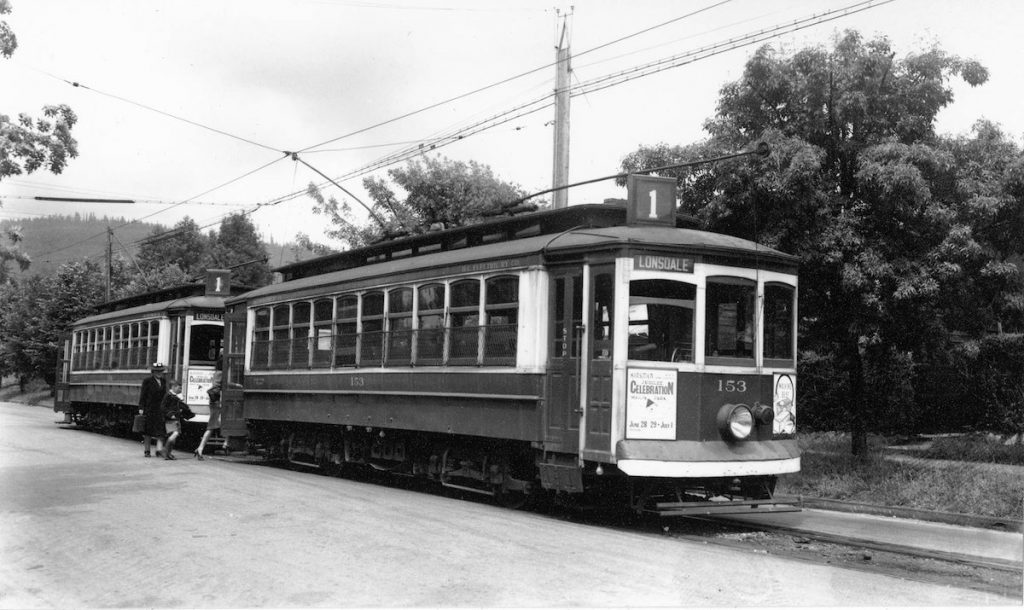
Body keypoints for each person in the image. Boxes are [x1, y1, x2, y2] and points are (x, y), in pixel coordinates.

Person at [194, 358, 222, 460]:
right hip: (218, 402)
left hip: (214, 402)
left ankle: (200, 448)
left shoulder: (216, 373)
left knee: (212, 427)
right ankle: (200, 448)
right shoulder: (221, 373)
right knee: (213, 426)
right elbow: (223, 386)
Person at [138, 362, 168, 457]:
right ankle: (147, 451)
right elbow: (143, 395)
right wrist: (141, 408)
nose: (159, 373)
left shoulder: (163, 381)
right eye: (157, 371)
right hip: (150, 408)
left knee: (161, 430)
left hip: (160, 409)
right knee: (148, 431)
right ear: (153, 372)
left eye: (161, 371)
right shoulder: (147, 381)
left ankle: (159, 450)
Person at [161, 380, 186, 460]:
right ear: (173, 387)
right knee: (174, 434)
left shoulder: (176, 396)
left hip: (176, 418)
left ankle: (169, 453)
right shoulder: (169, 395)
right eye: (179, 387)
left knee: (174, 438)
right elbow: (163, 407)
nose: (180, 389)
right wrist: (170, 414)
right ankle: (165, 452)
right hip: (170, 419)